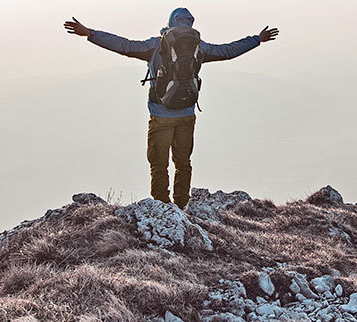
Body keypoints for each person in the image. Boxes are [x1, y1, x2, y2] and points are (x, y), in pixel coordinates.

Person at [63, 8, 278, 209]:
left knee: (159, 165)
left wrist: (90, 33)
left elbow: (124, 46)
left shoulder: (157, 45)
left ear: (169, 23)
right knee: (183, 162)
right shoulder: (198, 47)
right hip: (187, 114)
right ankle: (182, 206)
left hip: (160, 115)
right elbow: (228, 51)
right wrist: (257, 39)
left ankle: (163, 209)